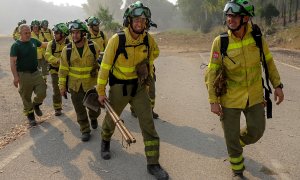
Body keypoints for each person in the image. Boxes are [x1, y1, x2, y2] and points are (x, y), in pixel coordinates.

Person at [205, 0, 284, 179]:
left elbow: (268, 62)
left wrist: (277, 85)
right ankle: (237, 171)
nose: (230, 19)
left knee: (256, 131)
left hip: (254, 96)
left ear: (246, 18)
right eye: (228, 16)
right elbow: (212, 72)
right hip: (229, 98)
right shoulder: (220, 42)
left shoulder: (257, 39)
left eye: (234, 16)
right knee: (230, 136)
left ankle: (237, 143)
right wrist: (213, 101)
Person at [96, 2, 168, 180]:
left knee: (148, 123)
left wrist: (145, 67)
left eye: (142, 20)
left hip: (139, 88)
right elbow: (104, 67)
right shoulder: (117, 40)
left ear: (146, 22)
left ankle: (153, 163)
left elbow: (155, 53)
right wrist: (100, 90)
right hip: (119, 88)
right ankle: (105, 142)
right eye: (136, 19)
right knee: (112, 119)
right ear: (129, 21)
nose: (139, 23)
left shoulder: (147, 39)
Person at [58, 20, 101, 142]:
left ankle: (93, 118)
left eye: (77, 33)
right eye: (72, 33)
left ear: (83, 34)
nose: (74, 35)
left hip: (91, 85)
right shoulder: (67, 50)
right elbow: (63, 70)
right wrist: (62, 86)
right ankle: (85, 129)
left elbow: (102, 65)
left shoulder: (93, 47)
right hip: (75, 86)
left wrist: (98, 68)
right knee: (80, 110)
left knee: (94, 109)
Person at [10, 24, 47, 126]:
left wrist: (56, 42)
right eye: (25, 33)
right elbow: (12, 62)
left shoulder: (33, 41)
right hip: (23, 75)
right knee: (26, 97)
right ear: (20, 33)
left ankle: (36, 104)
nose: (28, 35)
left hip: (35, 72)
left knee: (42, 91)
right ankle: (31, 117)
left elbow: (44, 44)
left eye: (29, 32)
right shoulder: (16, 46)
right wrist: (15, 77)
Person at [45, 23, 70, 116]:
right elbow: (47, 55)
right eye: (54, 33)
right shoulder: (51, 44)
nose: (54, 34)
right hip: (55, 71)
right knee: (56, 90)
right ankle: (57, 108)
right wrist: (57, 61)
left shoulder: (70, 43)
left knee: (74, 88)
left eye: (56, 33)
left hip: (68, 71)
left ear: (63, 34)